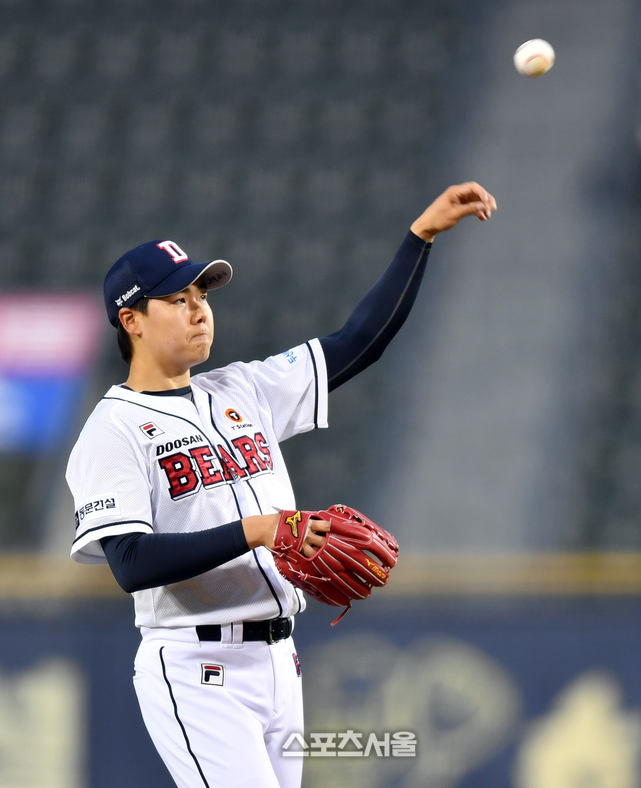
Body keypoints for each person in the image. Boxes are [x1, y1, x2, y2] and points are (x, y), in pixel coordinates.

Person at [66, 182, 496, 788]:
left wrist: (419, 237)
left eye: (201, 295)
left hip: (279, 659)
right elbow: (131, 563)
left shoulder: (244, 389)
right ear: (131, 320)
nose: (199, 309)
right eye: (177, 299)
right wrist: (258, 529)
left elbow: (358, 342)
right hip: (195, 666)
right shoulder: (112, 430)